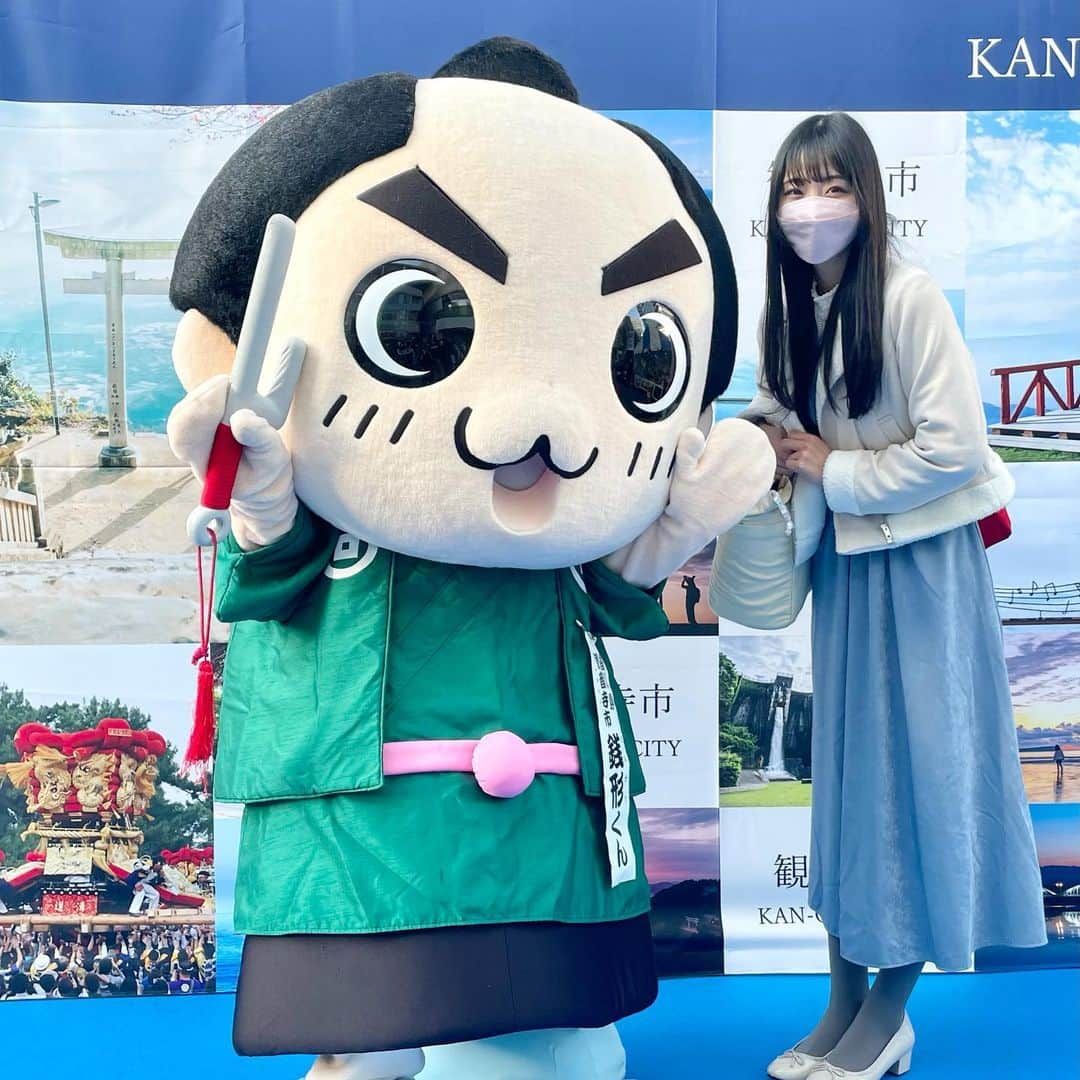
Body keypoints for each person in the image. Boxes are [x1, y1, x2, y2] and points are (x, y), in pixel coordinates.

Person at [743, 113, 1046, 1080]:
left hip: (921, 568)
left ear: (868, 198)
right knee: (846, 781)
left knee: (920, 777)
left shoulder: (912, 300)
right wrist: (757, 444)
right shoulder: (790, 308)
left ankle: (889, 1008)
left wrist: (838, 466)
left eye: (831, 187)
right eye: (794, 190)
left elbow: (956, 446)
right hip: (845, 569)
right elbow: (786, 416)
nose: (811, 208)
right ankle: (841, 999)